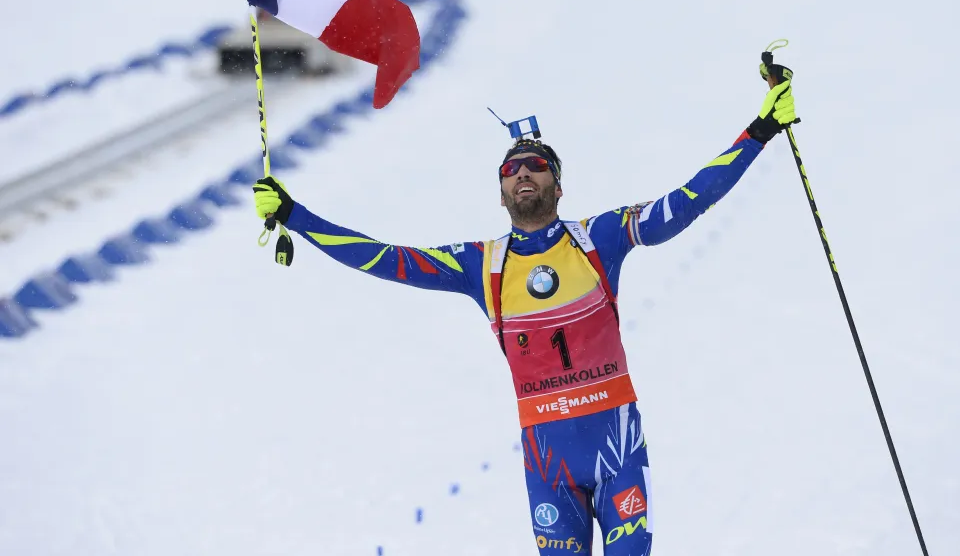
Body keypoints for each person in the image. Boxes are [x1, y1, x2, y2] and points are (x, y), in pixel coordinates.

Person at [252, 64, 797, 555]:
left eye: (535, 166)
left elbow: (685, 202)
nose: (522, 175)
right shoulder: (481, 266)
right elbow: (383, 258)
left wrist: (760, 131)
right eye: (510, 171)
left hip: (618, 446)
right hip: (548, 463)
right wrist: (296, 216)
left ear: (558, 186)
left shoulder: (598, 239)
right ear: (501, 194)